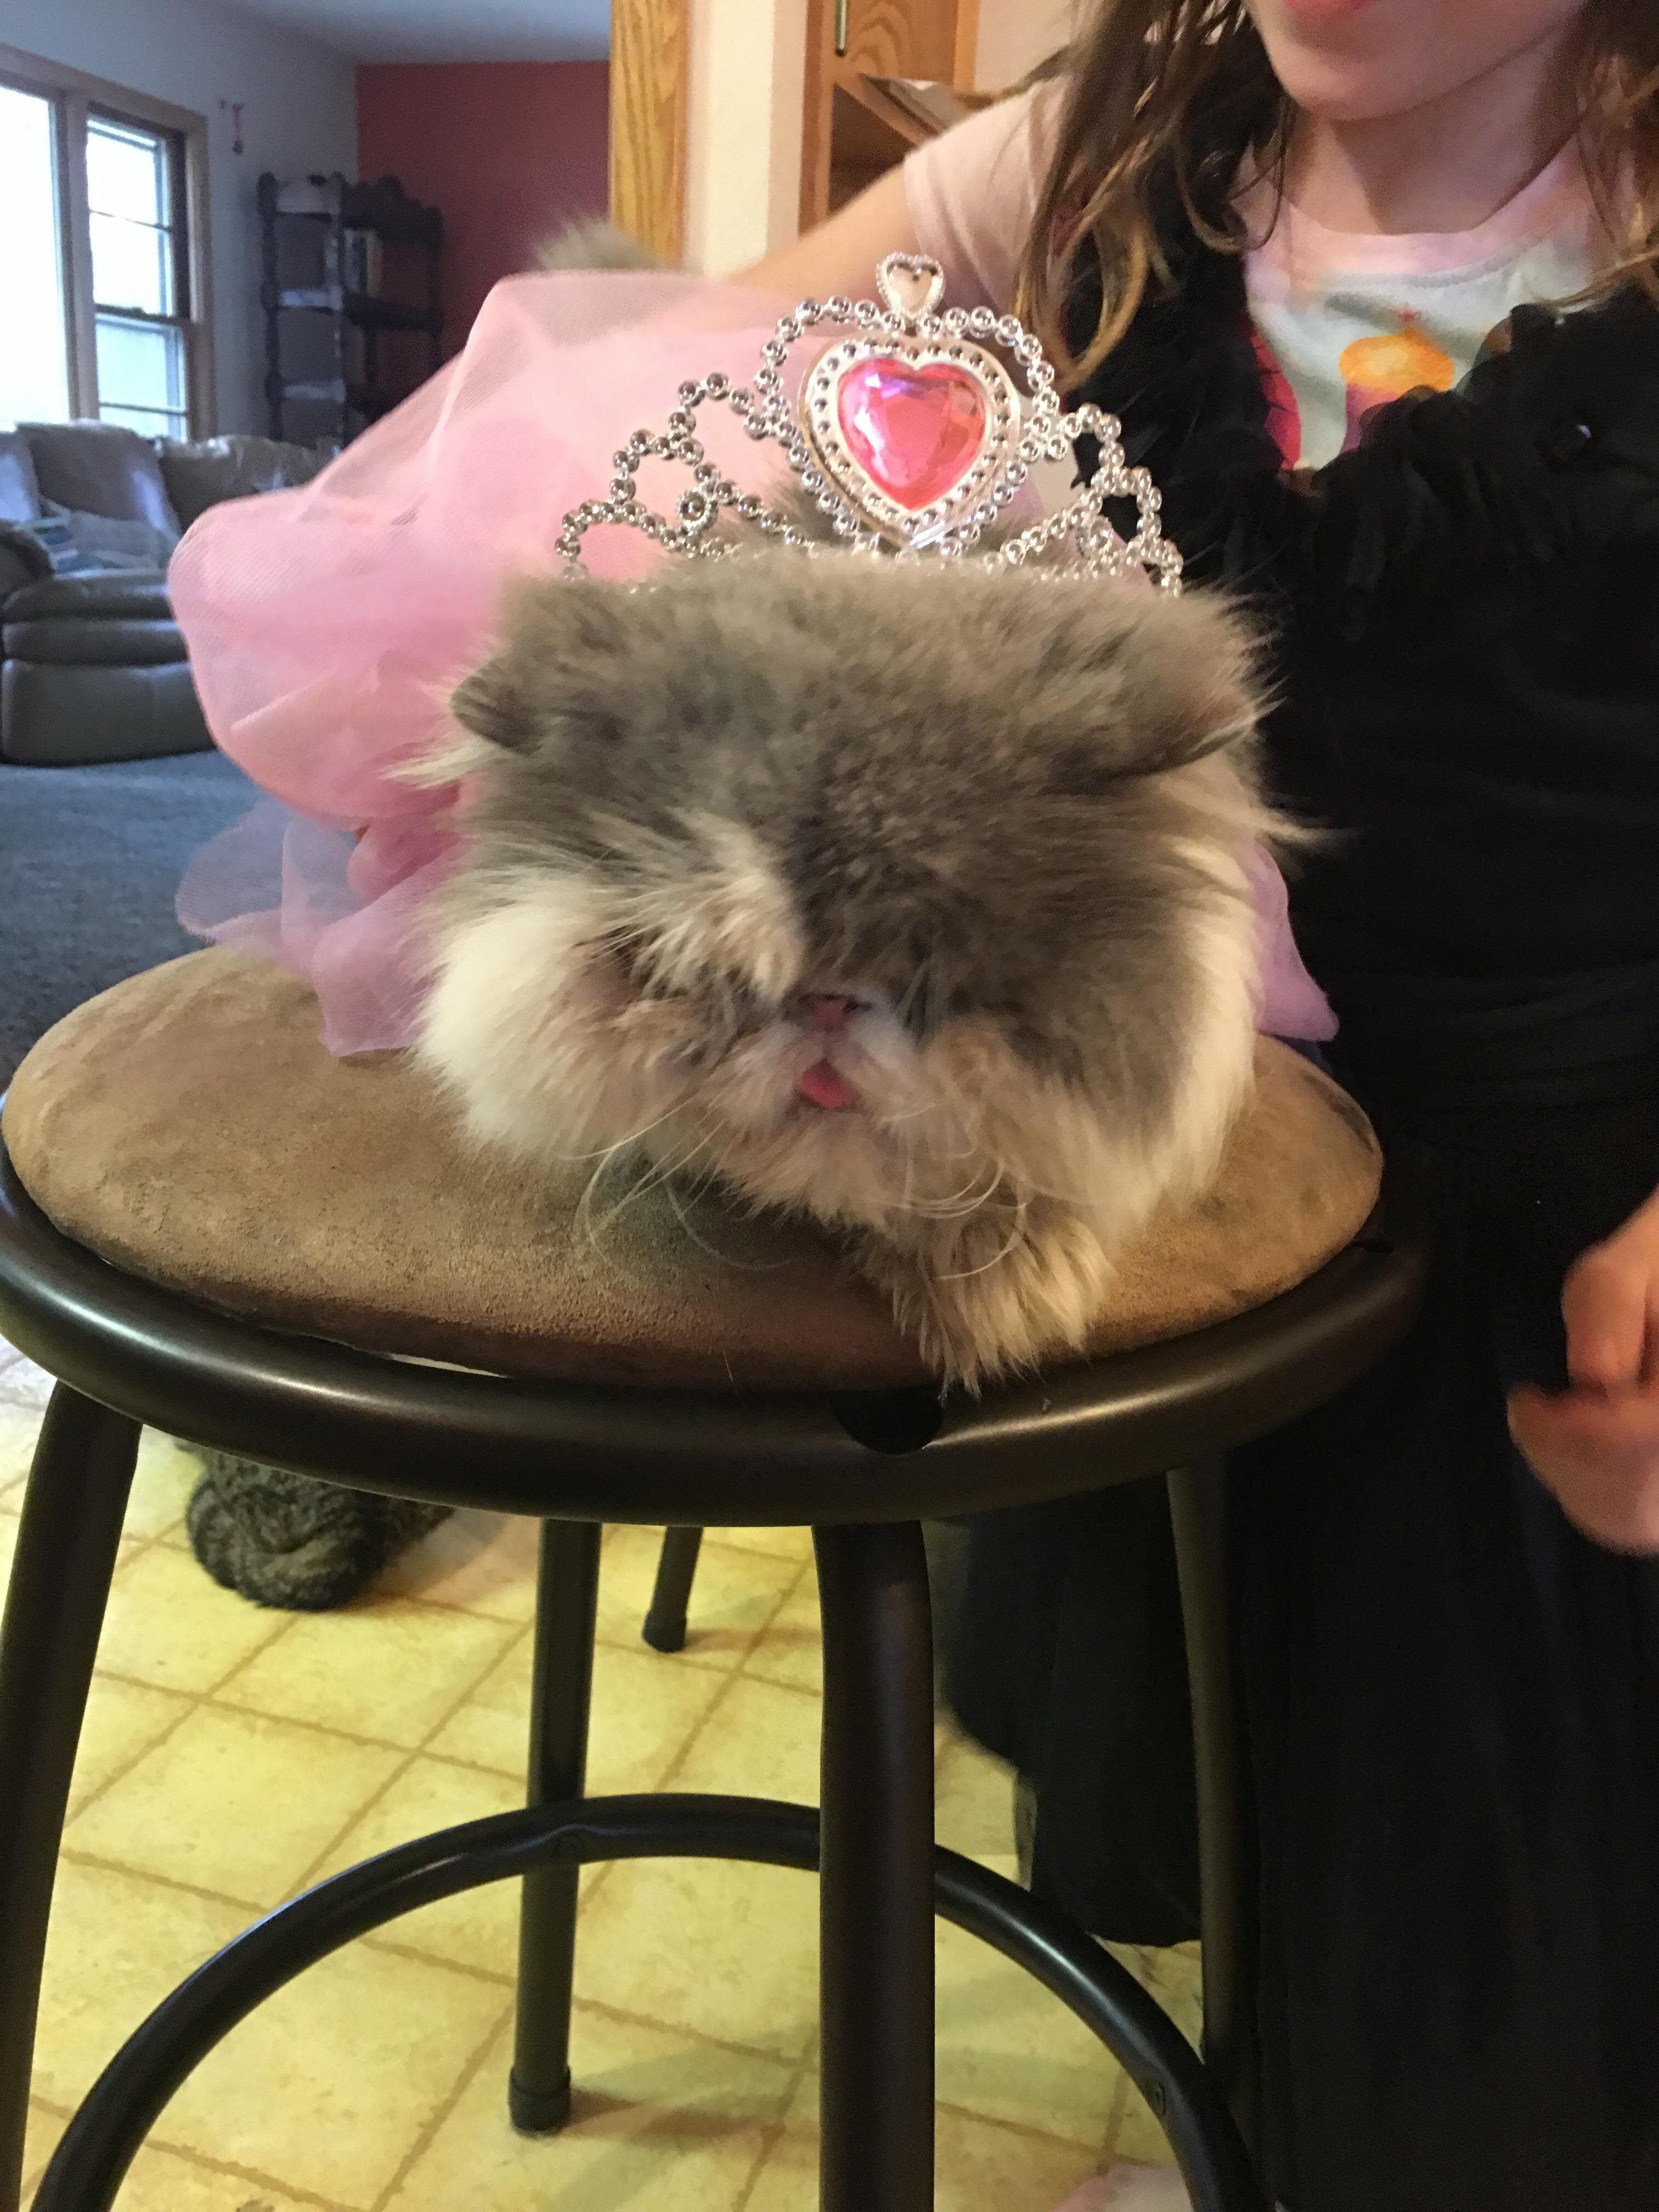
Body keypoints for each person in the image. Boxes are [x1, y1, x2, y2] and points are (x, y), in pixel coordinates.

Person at [738, 4, 1659, 2208]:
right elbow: (686, 392)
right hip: (1200, 1176)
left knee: (1495, 1918)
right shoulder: (1100, 158)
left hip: (1570, 1216)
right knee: (1249, 1782)